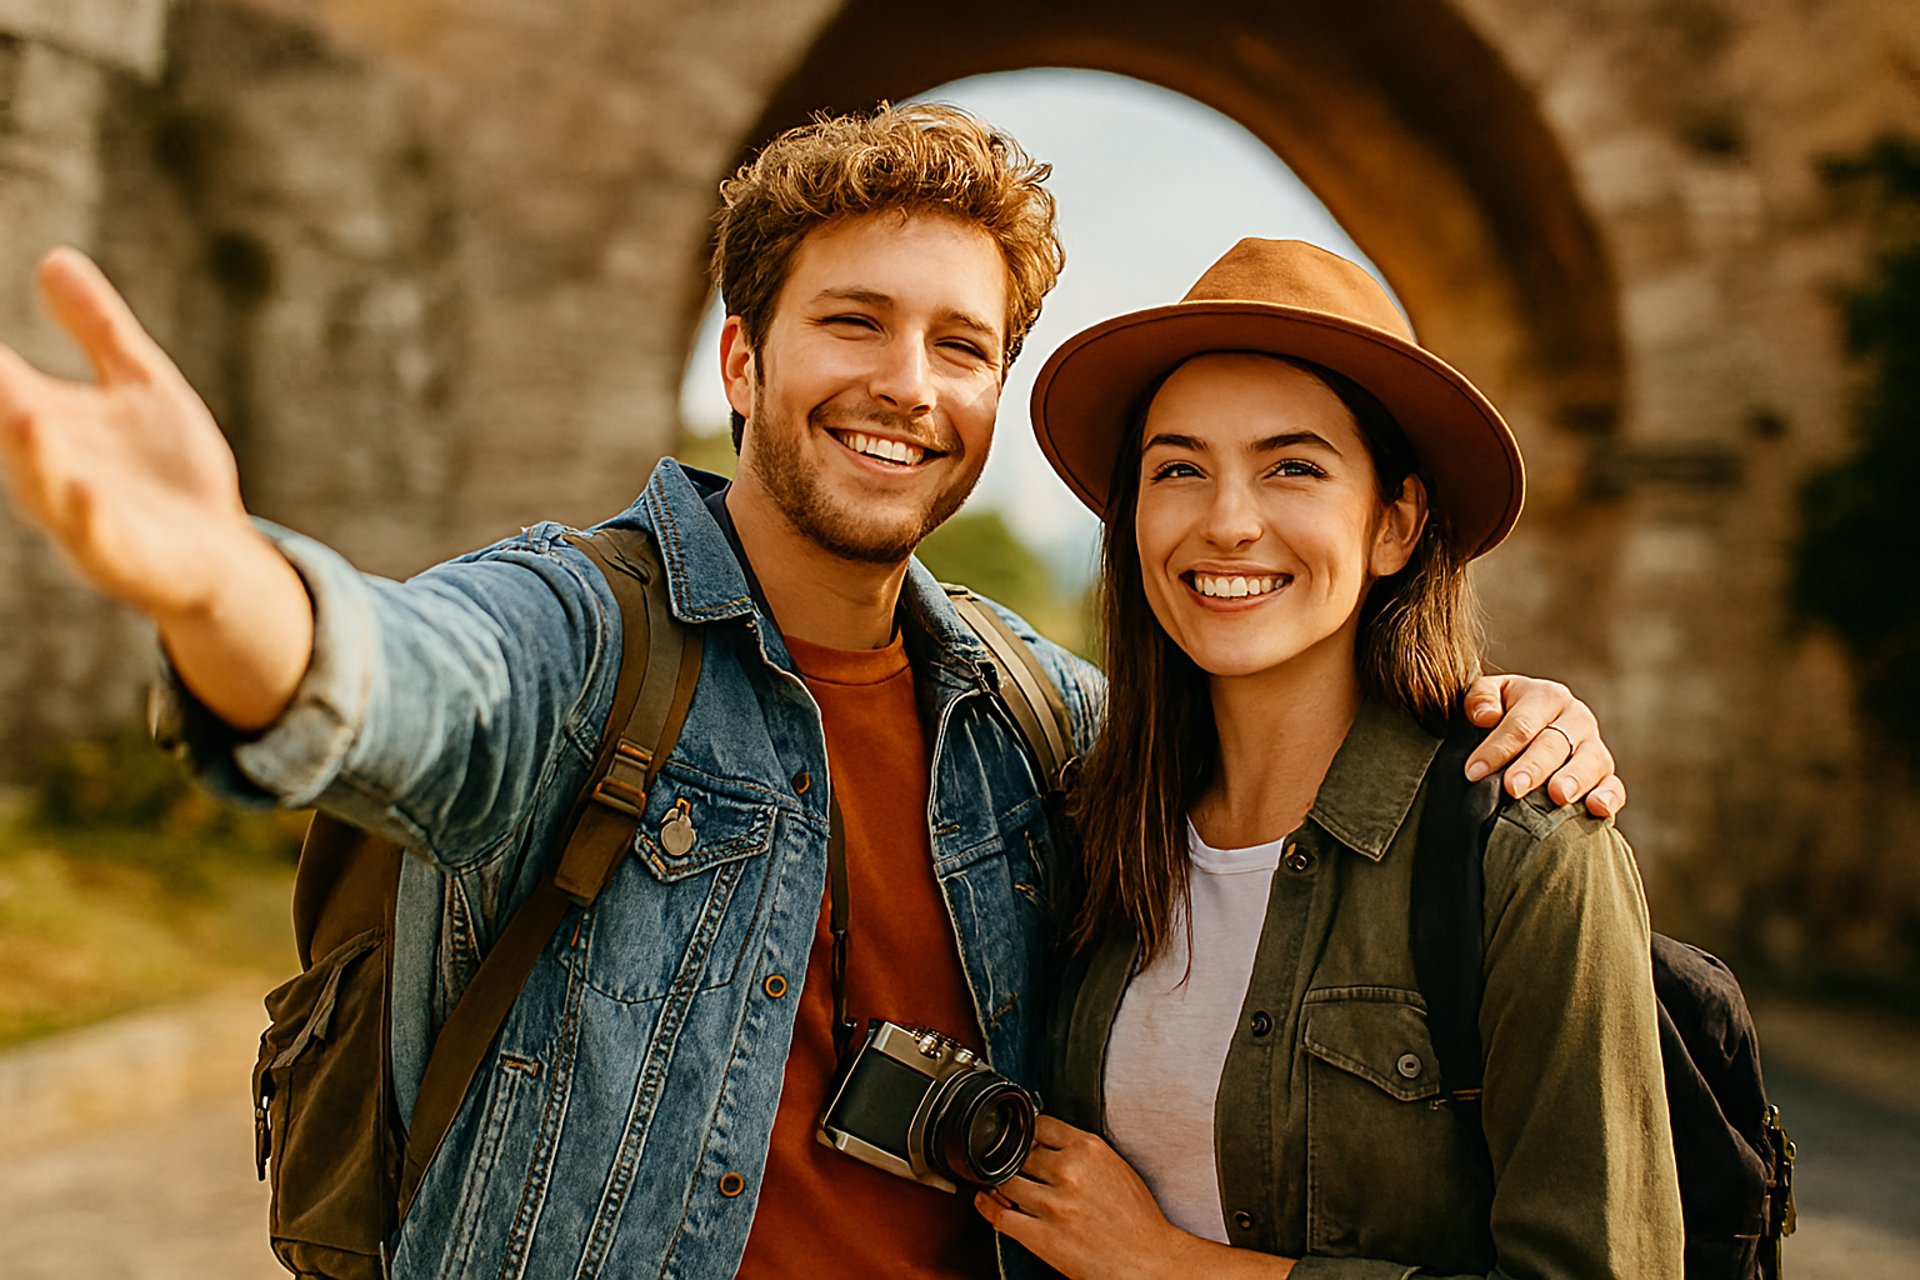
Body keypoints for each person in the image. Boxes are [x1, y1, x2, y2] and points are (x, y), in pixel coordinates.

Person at [0, 107, 1624, 1278]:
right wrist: (218, 585)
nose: (907, 385)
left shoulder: (1035, 717)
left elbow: (1281, 726)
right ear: (743, 361)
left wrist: (1485, 716)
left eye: (961, 346)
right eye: (855, 322)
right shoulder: (585, 636)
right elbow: (409, 682)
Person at [976, 239, 1682, 1277]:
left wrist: (1167, 1265)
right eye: (1179, 468)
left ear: (1395, 523)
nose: (1228, 522)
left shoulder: (1527, 854)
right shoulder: (1083, 824)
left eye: (1293, 467)